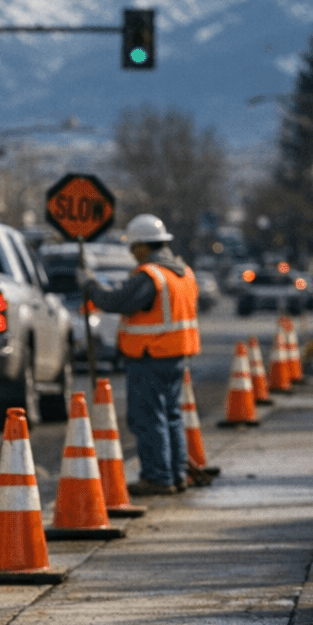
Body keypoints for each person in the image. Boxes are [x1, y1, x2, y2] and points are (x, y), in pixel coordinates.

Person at [83, 213, 200, 496]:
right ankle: (177, 474)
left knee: (148, 418)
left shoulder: (151, 276)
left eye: (133, 247)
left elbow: (117, 301)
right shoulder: (183, 272)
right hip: (175, 355)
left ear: (143, 247)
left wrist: (91, 286)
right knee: (171, 415)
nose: (132, 254)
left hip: (150, 356)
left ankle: (158, 477)